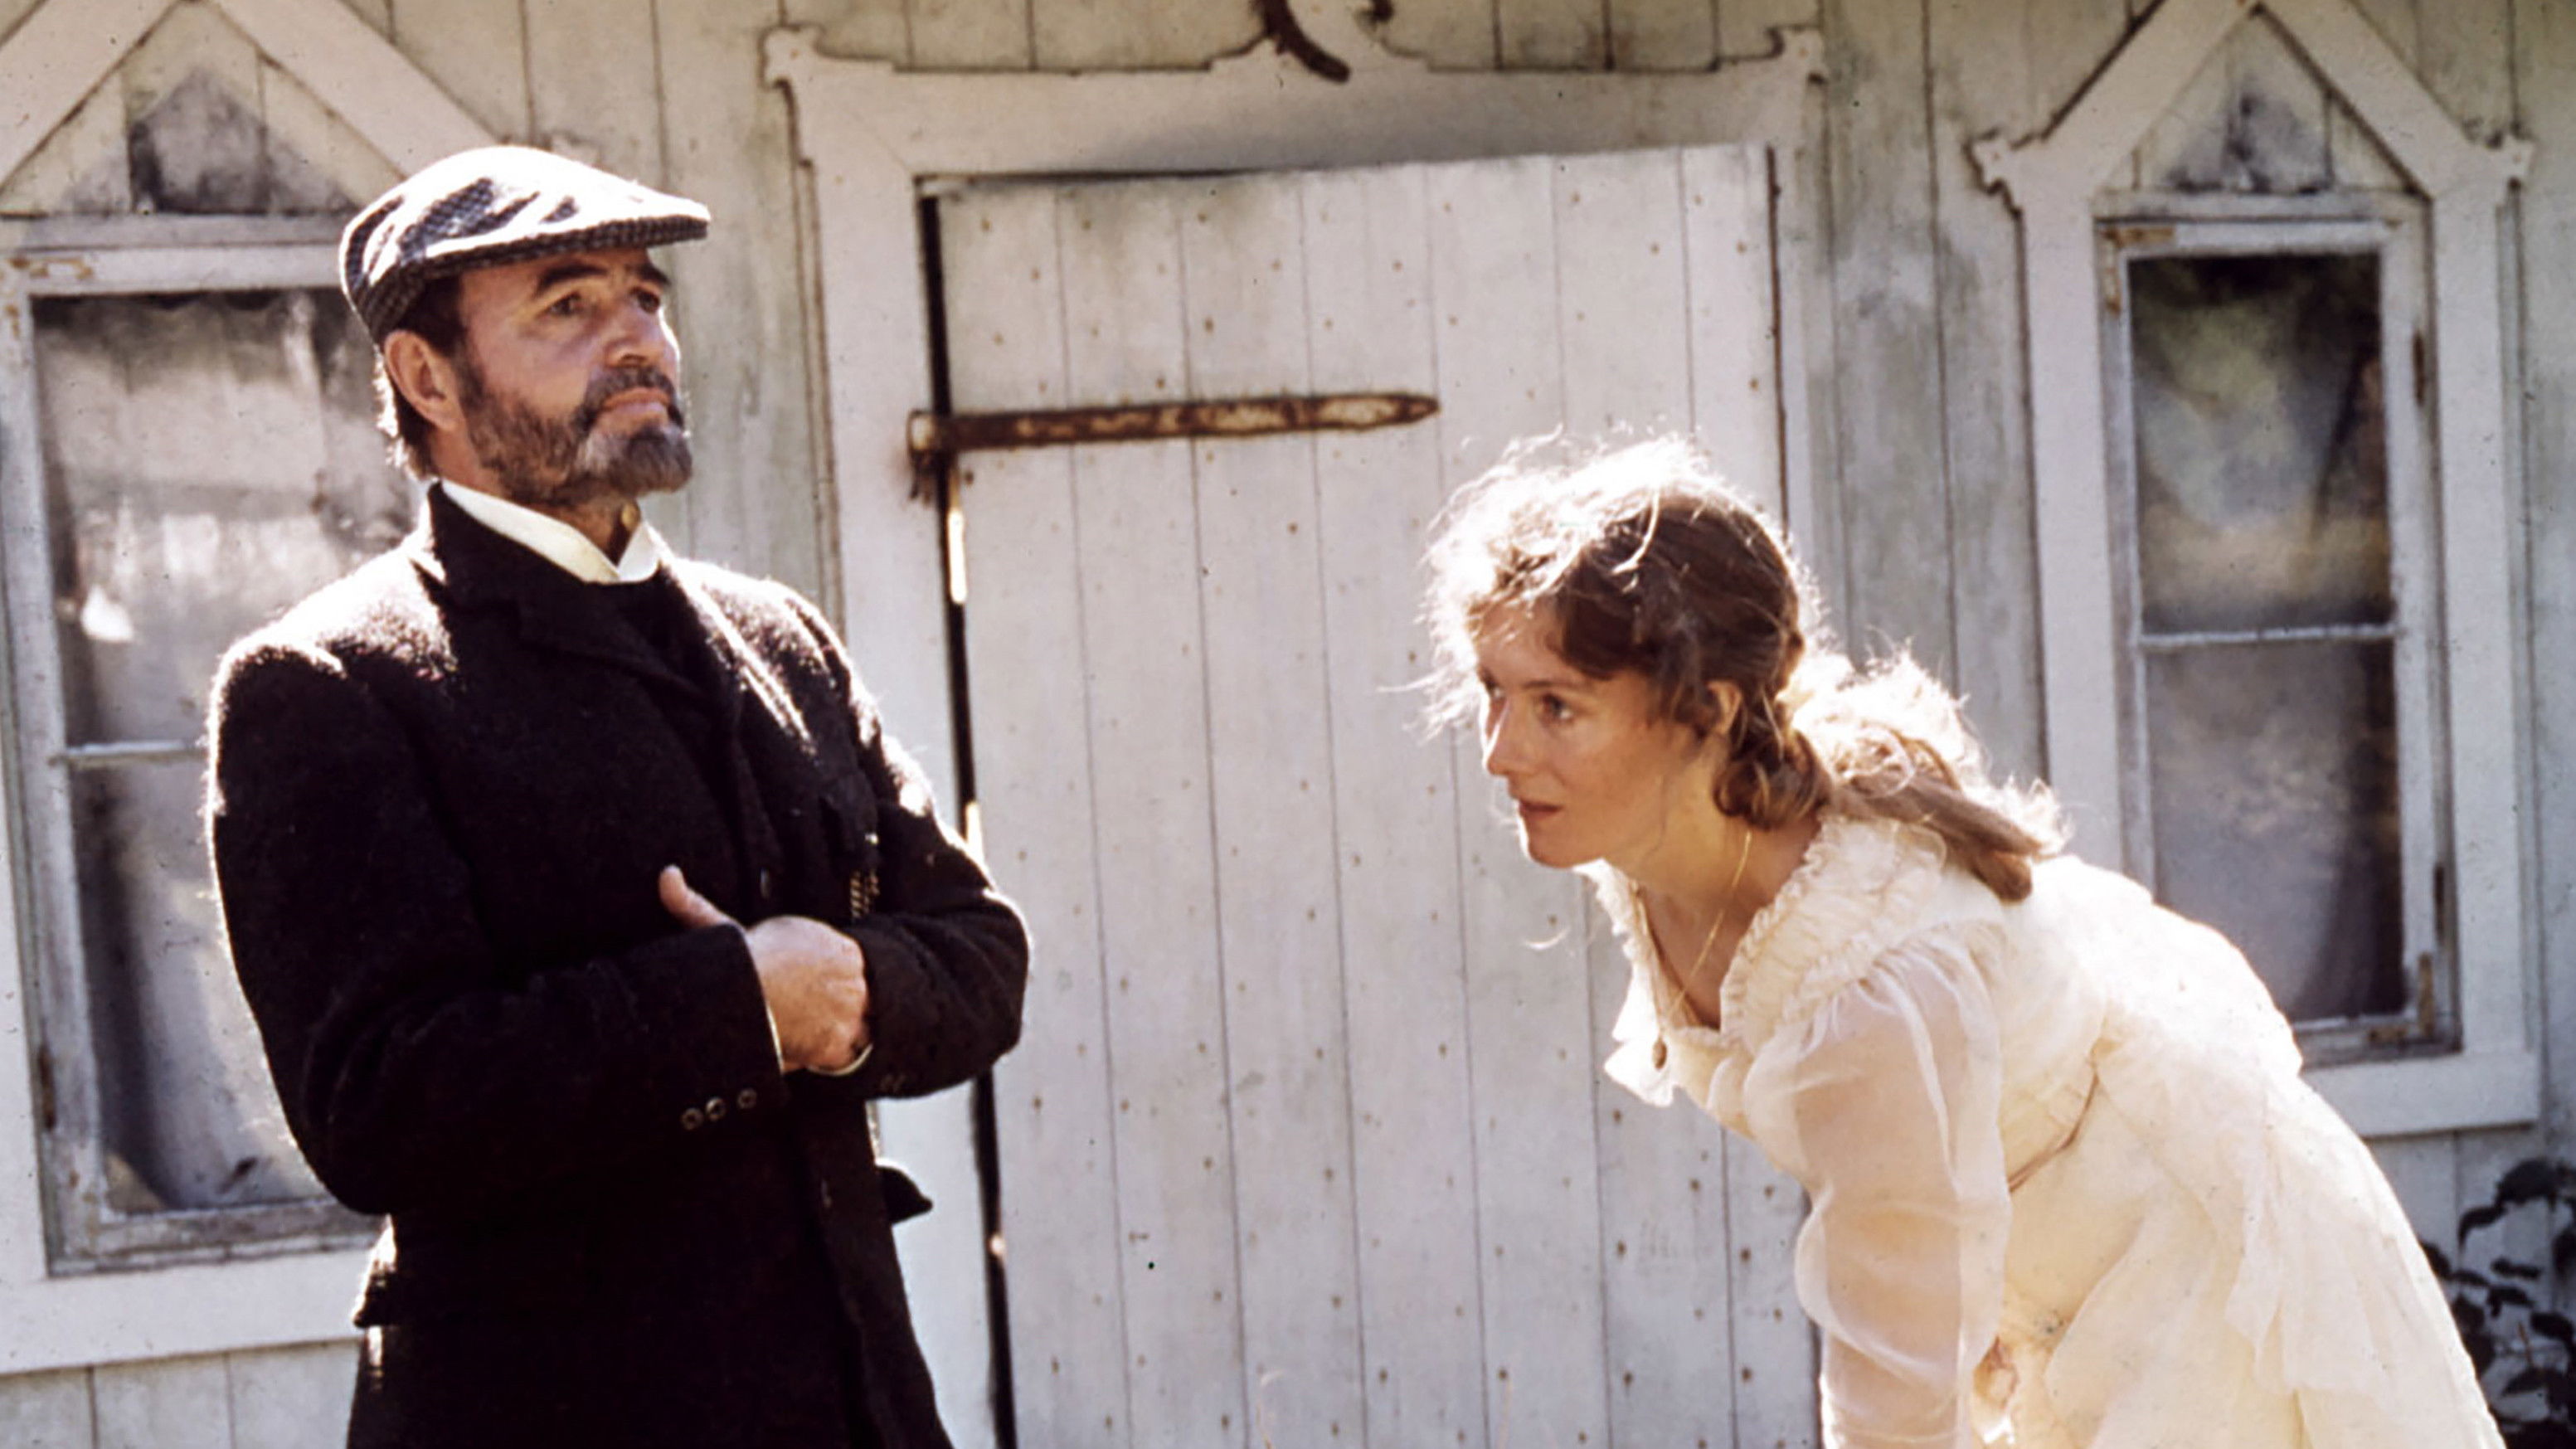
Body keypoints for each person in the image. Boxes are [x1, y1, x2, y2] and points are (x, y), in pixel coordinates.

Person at [1422, 436, 2499, 1448]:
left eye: (1557, 708)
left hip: (2183, 1274)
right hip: (2037, 1292)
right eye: (1492, 694)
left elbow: (1895, 1393)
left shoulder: (1868, 986)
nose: (1500, 753)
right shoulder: (1664, 835)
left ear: (1705, 710)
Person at [206, 146, 1028, 1449]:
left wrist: (843, 993)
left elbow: (980, 957)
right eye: (568, 305)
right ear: (426, 377)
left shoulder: (777, 638)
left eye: (645, 295)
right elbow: (374, 1106)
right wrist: (734, 1007)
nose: (637, 336)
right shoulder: (332, 681)